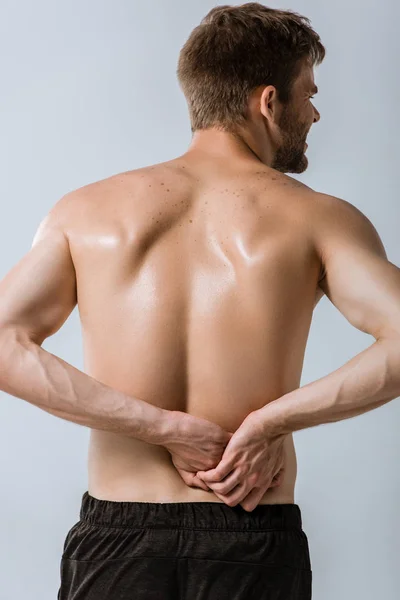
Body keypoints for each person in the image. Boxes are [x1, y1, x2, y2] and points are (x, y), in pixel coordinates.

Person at [1, 3, 399, 599]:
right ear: (268, 101)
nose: (314, 112)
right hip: (252, 535)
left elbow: (5, 341)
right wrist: (270, 422)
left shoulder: (86, 212)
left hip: (117, 541)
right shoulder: (319, 218)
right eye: (308, 93)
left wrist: (159, 427)